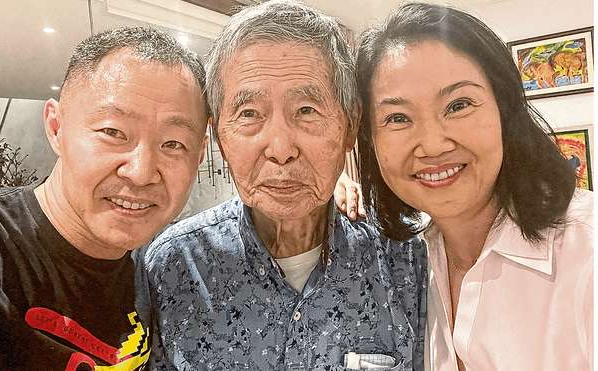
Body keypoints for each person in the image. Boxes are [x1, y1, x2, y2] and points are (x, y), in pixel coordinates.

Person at [143, 1, 427, 370]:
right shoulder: (174, 266)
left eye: (306, 110)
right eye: (249, 114)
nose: (280, 150)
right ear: (218, 137)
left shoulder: (403, 256)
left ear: (350, 125)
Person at [339, 2, 592, 370]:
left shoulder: (586, 255)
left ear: (504, 111)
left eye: (458, 105)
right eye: (397, 118)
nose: (433, 145)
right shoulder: (403, 263)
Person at [0, 27, 209, 370]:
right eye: (112, 132)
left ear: (199, 156)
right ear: (57, 128)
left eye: (173, 144)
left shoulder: (166, 265)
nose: (141, 172)